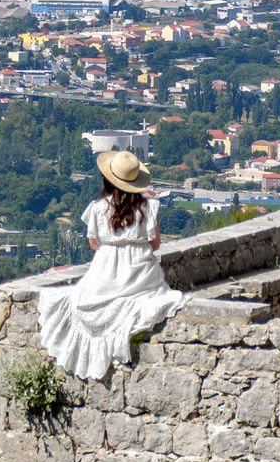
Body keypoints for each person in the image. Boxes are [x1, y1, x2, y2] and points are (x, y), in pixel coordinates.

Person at [36, 149, 186, 381]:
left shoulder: (97, 208)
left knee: (79, 300)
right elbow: (155, 244)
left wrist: (112, 249)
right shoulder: (148, 207)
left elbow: (93, 243)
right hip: (141, 272)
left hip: (104, 270)